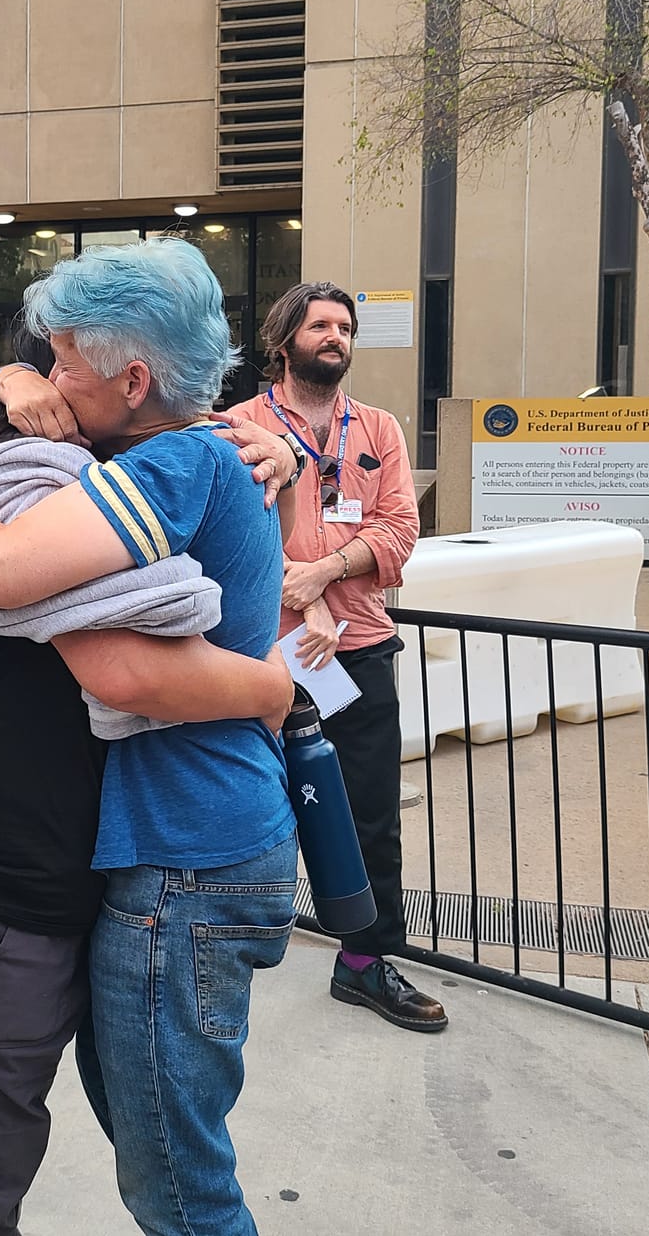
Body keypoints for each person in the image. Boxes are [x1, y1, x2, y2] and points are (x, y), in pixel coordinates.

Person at [0, 239, 303, 1236]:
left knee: (175, 1185)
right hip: (190, 849)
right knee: (154, 1144)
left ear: (133, 378)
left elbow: (18, 582)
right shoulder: (196, 448)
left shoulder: (177, 460)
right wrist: (11, 377)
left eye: (63, 360)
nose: (50, 381)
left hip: (186, 858)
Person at [223, 282, 438, 1032]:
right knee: (249, 807)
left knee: (370, 815)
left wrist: (329, 571)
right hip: (263, 652)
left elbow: (400, 530)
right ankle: (225, 946)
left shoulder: (377, 429)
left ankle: (365, 962)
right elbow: (227, 535)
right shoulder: (238, 426)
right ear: (284, 341)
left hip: (359, 652)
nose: (335, 337)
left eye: (345, 327)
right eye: (320, 325)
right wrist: (300, 595)